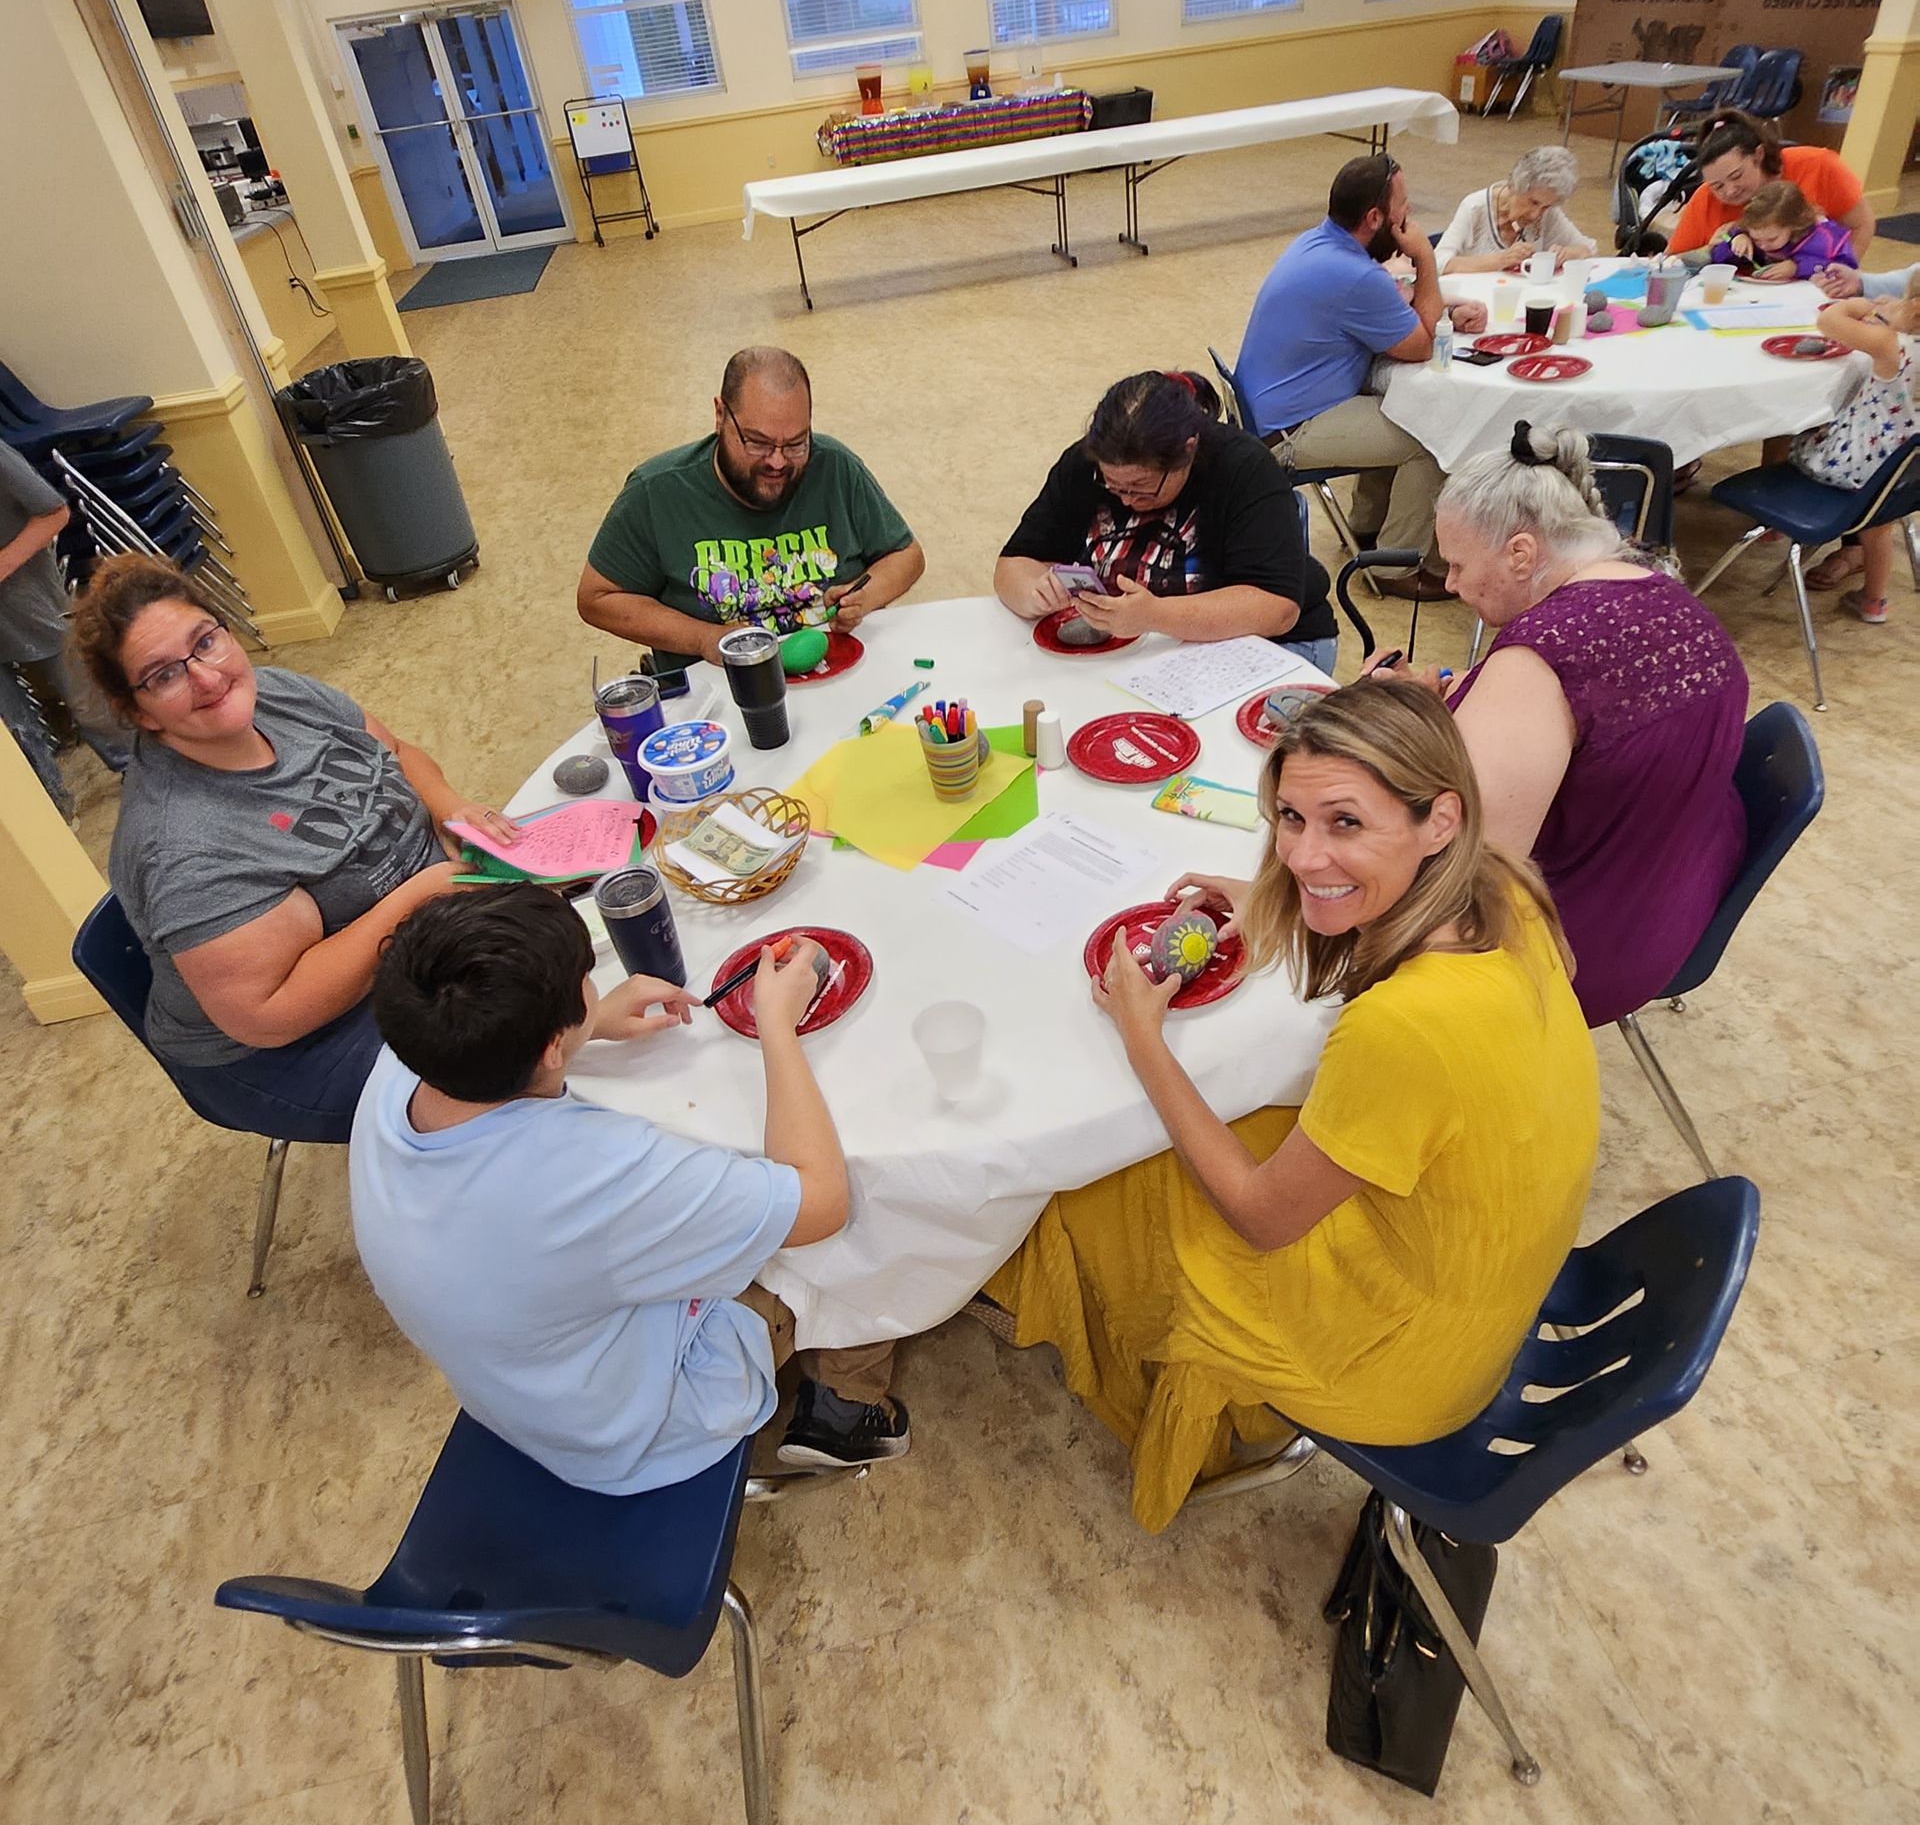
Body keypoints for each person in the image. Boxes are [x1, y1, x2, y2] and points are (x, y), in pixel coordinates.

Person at [982, 681, 1598, 1531]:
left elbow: (1263, 1221)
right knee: (1232, 1122)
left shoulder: (1403, 1026)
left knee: (1100, 1185)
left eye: (1345, 823)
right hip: (1486, 1259)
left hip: (1409, 1359)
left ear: (1439, 821)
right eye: (1291, 819)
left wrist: (1142, 1037)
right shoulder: (1501, 884)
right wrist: (1298, 895)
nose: (1304, 854)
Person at [351, 881, 909, 1482]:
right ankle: (848, 1412)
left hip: (519, 1388)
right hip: (638, 1428)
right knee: (858, 1216)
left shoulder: (405, 1056)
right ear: (548, 1048)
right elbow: (821, 1202)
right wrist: (778, 1025)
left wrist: (584, 1027)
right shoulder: (589, 1169)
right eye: (584, 983)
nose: (592, 989)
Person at [72, 551, 512, 1143]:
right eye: (164, 675)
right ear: (138, 713)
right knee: (518, 1065)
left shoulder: (272, 694)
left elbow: (398, 754)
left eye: (205, 642)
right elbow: (271, 1014)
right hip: (293, 1048)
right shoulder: (184, 847)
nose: (206, 678)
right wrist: (419, 897)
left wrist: (449, 807)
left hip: (418, 928)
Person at [1432, 426, 1747, 1028]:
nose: (1450, 585)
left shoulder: (1540, 658)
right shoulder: (1672, 598)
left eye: (1456, 564)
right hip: (1685, 896)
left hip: (1577, 951)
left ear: (1521, 554)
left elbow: (1465, 876)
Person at [579, 346, 925, 673]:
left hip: (837, 672)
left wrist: (864, 598)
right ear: (720, 415)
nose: (777, 462)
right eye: (756, 442)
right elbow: (597, 598)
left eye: (795, 444)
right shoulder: (657, 491)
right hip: (721, 692)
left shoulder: (834, 466)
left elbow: (906, 555)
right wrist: (704, 639)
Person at [1235, 154, 1488, 601]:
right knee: (1434, 436)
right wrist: (1426, 258)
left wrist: (1444, 309)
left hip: (1271, 412)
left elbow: (1393, 302)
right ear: (1375, 217)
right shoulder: (1355, 275)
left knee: (1398, 407)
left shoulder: (1319, 243)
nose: (1408, 218)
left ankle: (1366, 527)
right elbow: (1422, 346)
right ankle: (1396, 567)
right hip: (1293, 431)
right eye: (1402, 206)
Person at [994, 368, 1338, 667]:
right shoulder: (1085, 464)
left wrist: (1155, 616)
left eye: (1141, 487)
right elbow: (1015, 562)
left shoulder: (1244, 469)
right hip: (1146, 652)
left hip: (1270, 647)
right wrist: (1033, 592)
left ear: (1188, 451)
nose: (1126, 500)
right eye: (1112, 485)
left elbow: (1276, 608)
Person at [0, 437, 127, 813]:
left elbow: (54, 514)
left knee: (87, 698)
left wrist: (3, 565)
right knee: (12, 729)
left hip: (27, 603)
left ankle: (141, 769)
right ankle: (52, 808)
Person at [1788, 288, 1920, 625]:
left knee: (1796, 434)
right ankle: (1874, 601)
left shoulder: (1891, 344)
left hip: (1856, 465)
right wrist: (1894, 310)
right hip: (1904, 477)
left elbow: (1828, 321)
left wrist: (1858, 306)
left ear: (1916, 308)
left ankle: (1776, 526)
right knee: (1878, 527)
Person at [1664, 113, 1874, 260]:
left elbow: (1861, 224)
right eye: (1717, 186)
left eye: (1737, 176)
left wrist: (1840, 274)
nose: (1729, 190)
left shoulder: (1818, 166)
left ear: (1759, 155)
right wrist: (1709, 250)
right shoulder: (1705, 198)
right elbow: (1672, 261)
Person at [1432, 144, 1596, 273]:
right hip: (1473, 307)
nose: (1536, 214)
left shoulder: (1547, 212)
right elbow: (1438, 263)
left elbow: (1589, 249)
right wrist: (1500, 260)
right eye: (1533, 202)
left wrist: (1569, 254)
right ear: (1513, 186)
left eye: (1546, 206)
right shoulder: (1475, 208)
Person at [1708, 176, 1855, 281]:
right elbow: (1717, 261)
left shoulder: (1825, 240)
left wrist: (1797, 267)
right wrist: (1735, 240)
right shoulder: (1751, 232)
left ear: (1794, 226)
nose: (1763, 245)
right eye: (1756, 239)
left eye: (1772, 239)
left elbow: (1846, 271)